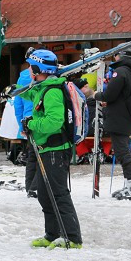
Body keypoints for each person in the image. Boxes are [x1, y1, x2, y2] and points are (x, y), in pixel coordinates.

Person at [21, 49, 82, 249]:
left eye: (31, 66)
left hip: (55, 149)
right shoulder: (42, 88)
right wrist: (14, 89)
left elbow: (54, 122)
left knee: (58, 193)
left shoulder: (53, 91)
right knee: (44, 194)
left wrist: (31, 124)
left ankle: (73, 238)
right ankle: (52, 233)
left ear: (38, 68)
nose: (29, 69)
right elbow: (31, 94)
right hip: (44, 148)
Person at [95, 51, 131, 200]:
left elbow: (110, 94)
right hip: (126, 116)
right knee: (122, 150)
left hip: (119, 117)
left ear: (118, 56)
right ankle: (129, 184)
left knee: (122, 152)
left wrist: (96, 95)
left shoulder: (120, 72)